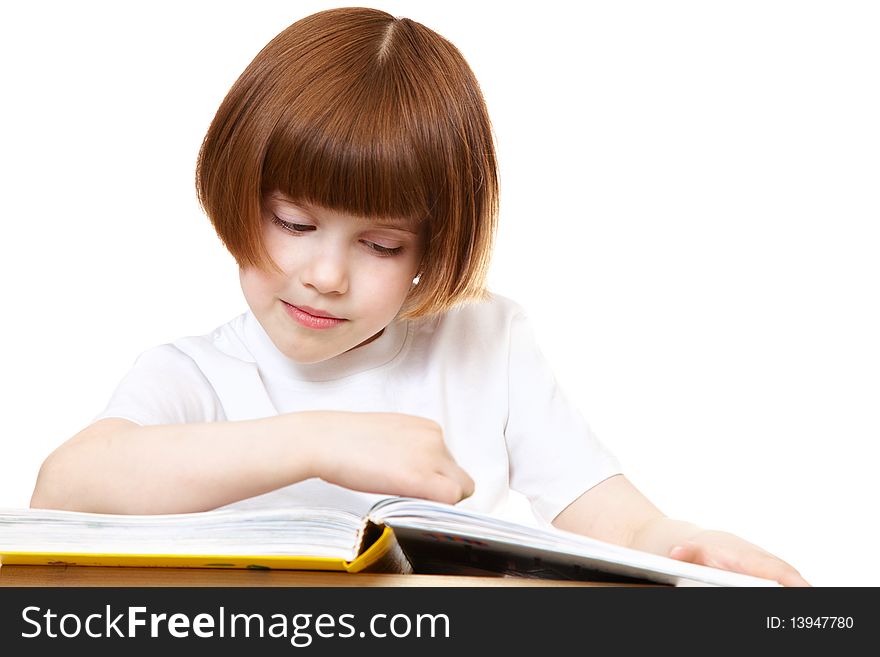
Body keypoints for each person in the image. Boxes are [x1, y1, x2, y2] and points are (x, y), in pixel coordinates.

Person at [30, 7, 808, 586]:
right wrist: (318, 438)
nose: (326, 274)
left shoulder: (486, 340)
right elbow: (65, 488)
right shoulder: (194, 375)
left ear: (433, 249)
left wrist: (682, 543)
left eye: (380, 245)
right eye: (294, 222)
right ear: (239, 196)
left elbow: (608, 512)